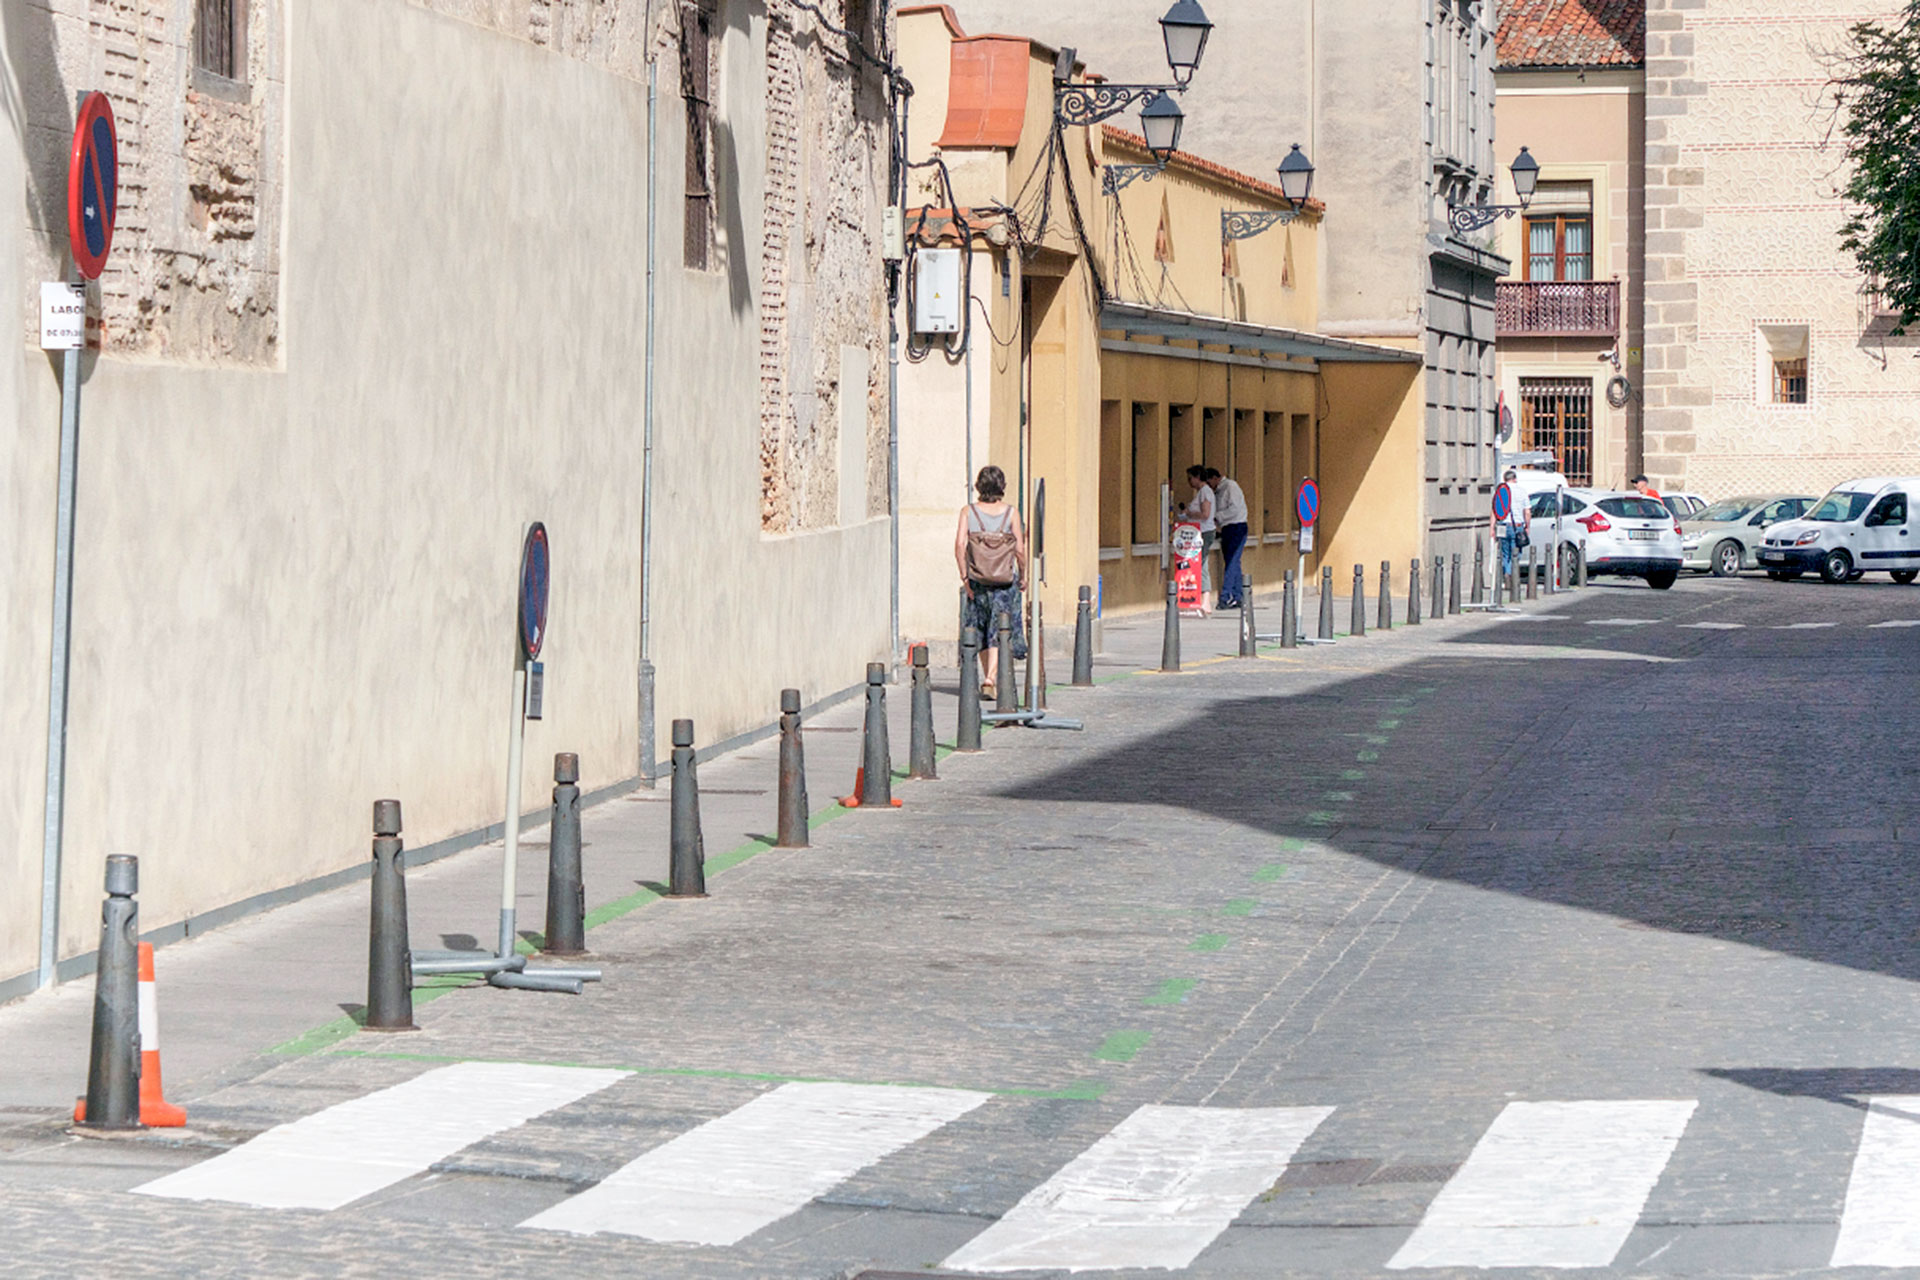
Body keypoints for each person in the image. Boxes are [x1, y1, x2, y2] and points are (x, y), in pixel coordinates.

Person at [954, 465, 1028, 693]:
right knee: (999, 629)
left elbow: (959, 545)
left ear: (979, 486)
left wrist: (965, 577)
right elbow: (1020, 550)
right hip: (1004, 582)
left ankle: (989, 676)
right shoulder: (1011, 513)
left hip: (977, 580)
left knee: (982, 628)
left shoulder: (968, 512)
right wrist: (1023, 575)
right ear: (1001, 486)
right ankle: (991, 679)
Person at [1205, 467, 1250, 609]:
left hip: (1236, 527)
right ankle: (1238, 596)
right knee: (1233, 562)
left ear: (1214, 478)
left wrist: (1217, 516)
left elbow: (1235, 509)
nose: (1209, 486)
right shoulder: (1218, 491)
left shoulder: (1230, 486)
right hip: (1226, 528)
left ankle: (1226, 595)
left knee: (1231, 562)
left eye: (1209, 482)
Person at [1178, 465, 1216, 616]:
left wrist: (1188, 513)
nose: (1189, 482)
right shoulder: (1202, 492)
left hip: (1203, 532)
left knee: (1200, 565)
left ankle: (1203, 599)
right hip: (1201, 532)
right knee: (1202, 564)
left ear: (1197, 477)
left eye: (1190, 478)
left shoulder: (1205, 492)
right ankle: (1203, 600)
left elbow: (1205, 514)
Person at [1492, 467, 1525, 577]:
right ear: (1514, 479)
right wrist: (1528, 525)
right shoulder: (1521, 491)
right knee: (1516, 552)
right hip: (1516, 526)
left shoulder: (1500, 491)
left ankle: (1507, 572)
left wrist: (1492, 527)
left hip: (1501, 525)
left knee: (1505, 552)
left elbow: (1495, 510)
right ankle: (1509, 574)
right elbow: (1528, 511)